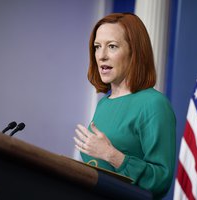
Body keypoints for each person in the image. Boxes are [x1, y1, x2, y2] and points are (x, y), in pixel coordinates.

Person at [73, 13, 176, 199]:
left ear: (134, 52)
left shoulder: (154, 105)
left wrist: (111, 154)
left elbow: (161, 180)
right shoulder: (104, 103)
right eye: (97, 47)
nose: (101, 56)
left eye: (112, 46)